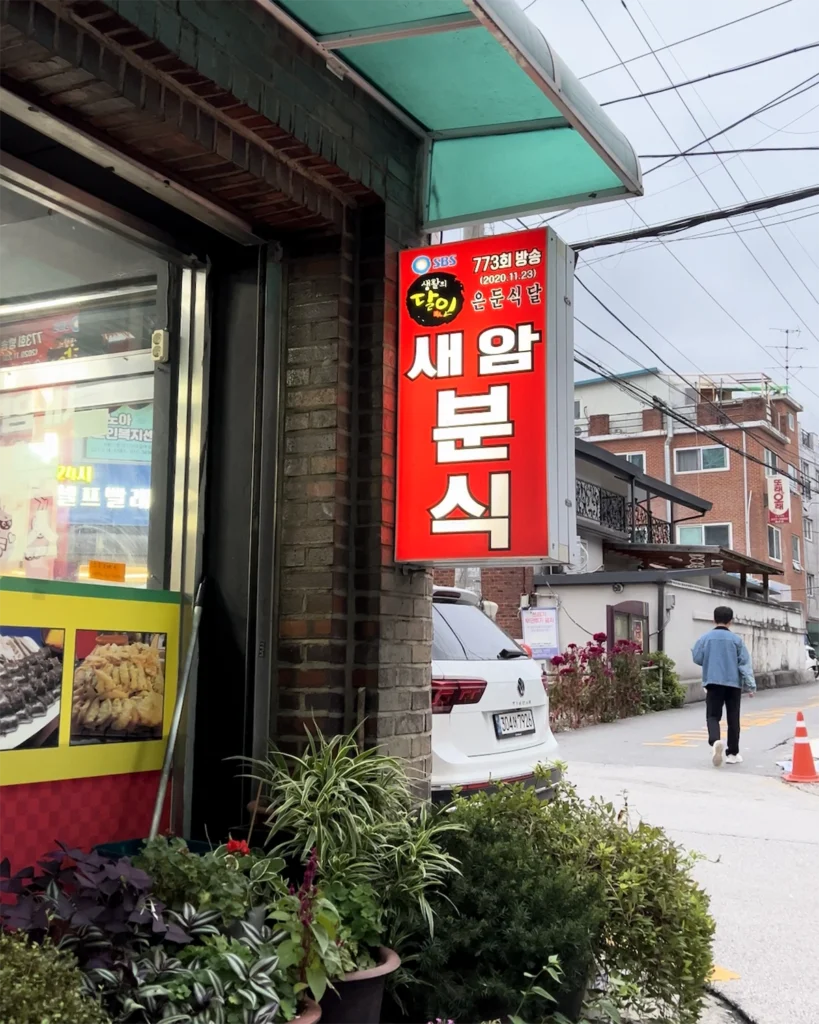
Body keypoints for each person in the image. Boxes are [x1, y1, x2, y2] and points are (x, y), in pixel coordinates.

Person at [692, 606, 756, 767]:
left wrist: (710, 660)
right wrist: (750, 685)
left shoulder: (705, 638)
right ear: (730, 621)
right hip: (733, 684)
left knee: (713, 716)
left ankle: (715, 741)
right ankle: (733, 753)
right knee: (733, 717)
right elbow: (744, 664)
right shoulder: (736, 640)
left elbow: (697, 657)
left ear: (714, 619)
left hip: (713, 682)